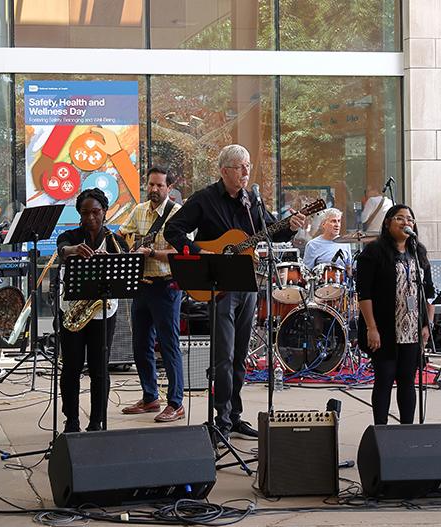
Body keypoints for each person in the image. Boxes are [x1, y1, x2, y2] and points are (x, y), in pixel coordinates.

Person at [164, 144, 308, 440]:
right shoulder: (204, 199)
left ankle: (235, 415)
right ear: (224, 171)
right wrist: (198, 252)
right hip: (218, 287)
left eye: (248, 166)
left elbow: (270, 229)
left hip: (247, 283)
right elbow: (173, 230)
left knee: (241, 354)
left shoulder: (251, 200)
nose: (245, 172)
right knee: (224, 356)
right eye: (240, 167)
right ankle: (221, 417)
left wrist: (290, 227)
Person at [356, 204, 436, 425]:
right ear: (388, 223)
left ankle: (406, 432)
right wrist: (372, 328)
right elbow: (364, 294)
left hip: (412, 329)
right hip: (384, 328)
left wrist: (428, 323)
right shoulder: (373, 252)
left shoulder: (418, 253)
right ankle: (380, 432)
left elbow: (429, 293)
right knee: (384, 379)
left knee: (407, 381)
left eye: (409, 219)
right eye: (399, 218)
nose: (405, 222)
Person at [117, 167, 186, 423]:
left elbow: (182, 252)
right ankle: (150, 397)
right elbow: (122, 235)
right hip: (141, 285)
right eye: (151, 185)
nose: (154, 190)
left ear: (169, 187)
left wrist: (151, 254)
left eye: (159, 185)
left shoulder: (178, 215)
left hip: (166, 286)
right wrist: (126, 246)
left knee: (169, 345)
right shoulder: (139, 210)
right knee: (140, 345)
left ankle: (176, 403)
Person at [56, 188, 124, 433]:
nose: (91, 218)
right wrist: (74, 250)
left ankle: (97, 421)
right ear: (80, 215)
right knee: (71, 366)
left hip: (103, 312)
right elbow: (61, 249)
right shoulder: (70, 235)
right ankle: (71, 420)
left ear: (104, 212)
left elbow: (126, 266)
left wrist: (113, 259)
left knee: (99, 368)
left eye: (96, 212)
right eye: (85, 213)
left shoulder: (116, 240)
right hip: (74, 309)